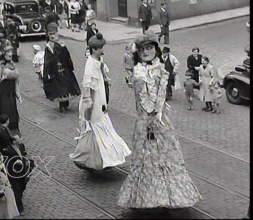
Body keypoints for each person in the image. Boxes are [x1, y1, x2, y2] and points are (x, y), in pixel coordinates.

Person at [117, 30, 202, 209]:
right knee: (144, 158)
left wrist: (156, 116)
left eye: (149, 48)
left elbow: (161, 96)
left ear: (155, 49)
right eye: (142, 49)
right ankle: (146, 198)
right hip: (142, 123)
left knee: (165, 156)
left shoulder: (161, 71)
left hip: (160, 122)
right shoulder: (137, 71)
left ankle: (168, 196)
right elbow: (139, 97)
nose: (145, 52)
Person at [69, 33, 131, 172]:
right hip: (94, 102)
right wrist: (89, 103)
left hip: (100, 100)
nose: (103, 50)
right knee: (95, 127)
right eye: (100, 48)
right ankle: (95, 159)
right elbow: (88, 86)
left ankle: (104, 158)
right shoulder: (90, 64)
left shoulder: (98, 61)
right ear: (94, 49)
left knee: (102, 126)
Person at [42, 23, 81, 113]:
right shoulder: (49, 47)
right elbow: (47, 60)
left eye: (54, 34)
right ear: (48, 34)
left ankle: (65, 104)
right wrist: (47, 72)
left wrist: (70, 66)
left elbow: (67, 56)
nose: (52, 36)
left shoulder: (61, 44)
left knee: (66, 86)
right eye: (50, 34)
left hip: (64, 69)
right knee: (59, 88)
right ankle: (61, 105)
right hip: (55, 71)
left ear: (57, 34)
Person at [0, 46, 22, 136]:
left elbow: (17, 80)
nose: (10, 54)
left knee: (12, 112)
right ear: (4, 54)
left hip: (11, 92)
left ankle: (13, 131)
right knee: (4, 110)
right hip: (3, 92)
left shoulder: (13, 65)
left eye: (11, 52)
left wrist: (18, 93)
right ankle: (1, 131)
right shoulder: (0, 66)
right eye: (7, 53)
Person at [0, 151, 20, 219]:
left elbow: (6, 177)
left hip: (7, 192)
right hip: (0, 195)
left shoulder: (2, 166)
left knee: (9, 211)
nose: (2, 159)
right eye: (1, 158)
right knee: (0, 213)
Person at [3, 135, 29, 215]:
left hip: (23, 173)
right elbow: (6, 163)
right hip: (14, 175)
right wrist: (14, 163)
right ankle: (19, 209)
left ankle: (17, 201)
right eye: (18, 139)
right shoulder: (7, 150)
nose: (20, 140)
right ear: (13, 141)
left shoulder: (21, 146)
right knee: (17, 191)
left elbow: (23, 156)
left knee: (22, 188)